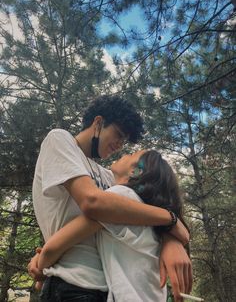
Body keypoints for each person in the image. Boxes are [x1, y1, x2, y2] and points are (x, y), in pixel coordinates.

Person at [29, 95, 192, 302]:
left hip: (108, 289)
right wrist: (170, 220)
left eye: (124, 140)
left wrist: (170, 239)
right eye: (118, 134)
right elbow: (92, 203)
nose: (120, 145)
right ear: (98, 123)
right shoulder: (60, 140)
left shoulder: (108, 176)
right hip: (72, 284)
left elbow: (140, 211)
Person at [36, 149, 190, 302]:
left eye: (132, 154)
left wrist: (40, 266)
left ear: (135, 171)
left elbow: (53, 247)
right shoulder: (148, 217)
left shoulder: (123, 197)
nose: (125, 153)